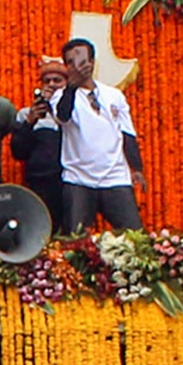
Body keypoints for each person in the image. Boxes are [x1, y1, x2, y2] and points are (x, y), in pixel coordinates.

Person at [42, 38, 142, 233]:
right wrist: (71, 87)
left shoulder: (114, 95)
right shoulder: (59, 96)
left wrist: (137, 167)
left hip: (115, 177)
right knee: (76, 241)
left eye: (80, 61)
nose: (76, 67)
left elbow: (127, 133)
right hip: (78, 180)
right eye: (70, 63)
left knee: (134, 237)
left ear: (92, 63)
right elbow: (63, 115)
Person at [10, 55, 68, 231]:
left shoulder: (77, 115)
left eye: (57, 80)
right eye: (47, 81)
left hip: (70, 182)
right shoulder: (26, 114)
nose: (51, 84)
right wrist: (30, 121)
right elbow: (18, 151)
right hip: (40, 183)